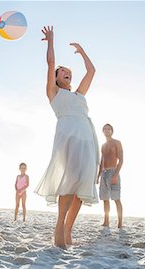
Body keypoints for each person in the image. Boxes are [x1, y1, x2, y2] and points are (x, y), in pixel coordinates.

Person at [34, 26, 100, 249]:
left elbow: (91, 72)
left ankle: (68, 229)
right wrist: (50, 41)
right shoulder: (54, 94)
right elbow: (51, 63)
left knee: (82, 188)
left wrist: (82, 52)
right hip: (68, 140)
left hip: (87, 141)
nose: (66, 72)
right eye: (62, 71)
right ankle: (59, 226)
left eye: (68, 71)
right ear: (56, 78)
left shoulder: (79, 94)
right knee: (69, 184)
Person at [97, 123, 124, 228]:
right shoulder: (103, 146)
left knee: (116, 198)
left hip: (113, 172)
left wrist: (116, 175)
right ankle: (106, 221)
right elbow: (102, 161)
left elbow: (121, 160)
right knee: (105, 199)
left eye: (109, 129)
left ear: (112, 131)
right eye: (105, 129)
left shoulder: (117, 143)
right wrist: (98, 176)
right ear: (103, 131)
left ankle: (120, 222)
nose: (107, 130)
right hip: (104, 173)